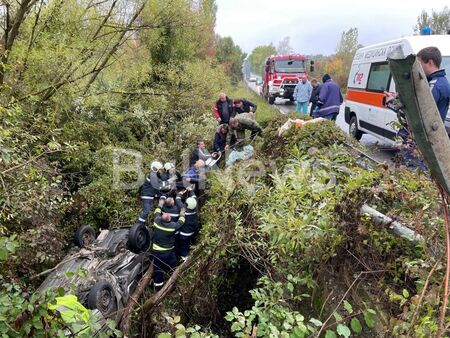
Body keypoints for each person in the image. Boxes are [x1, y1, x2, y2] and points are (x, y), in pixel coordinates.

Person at [152, 196, 185, 291]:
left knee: (157, 270)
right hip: (168, 252)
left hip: (157, 251)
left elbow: (157, 212)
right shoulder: (172, 226)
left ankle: (158, 289)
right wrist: (182, 212)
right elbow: (181, 221)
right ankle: (173, 284)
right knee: (173, 266)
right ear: (169, 220)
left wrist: (160, 203)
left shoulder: (156, 221)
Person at [417, 46, 450, 122]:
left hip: (429, 132)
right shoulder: (442, 81)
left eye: (419, 63)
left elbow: (422, 111)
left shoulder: (434, 84)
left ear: (430, 62)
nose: (418, 67)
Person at [177, 190, 200, 261]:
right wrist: (191, 191)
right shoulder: (196, 209)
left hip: (184, 234)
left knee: (184, 245)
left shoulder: (183, 209)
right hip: (192, 230)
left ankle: (184, 257)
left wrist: (179, 194)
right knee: (190, 240)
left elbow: (178, 201)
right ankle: (192, 245)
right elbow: (195, 197)